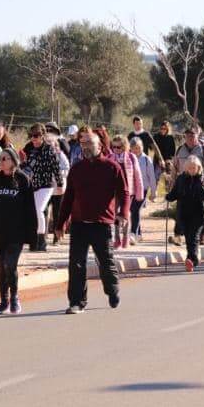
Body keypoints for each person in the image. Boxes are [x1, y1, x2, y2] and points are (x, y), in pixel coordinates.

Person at [55, 133, 129, 314]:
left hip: (101, 223)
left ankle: (112, 290)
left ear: (100, 146)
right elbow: (68, 198)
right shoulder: (76, 169)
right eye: (82, 144)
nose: (85, 147)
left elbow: (124, 192)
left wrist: (123, 213)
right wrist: (60, 224)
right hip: (79, 223)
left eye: (89, 143)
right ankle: (77, 302)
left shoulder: (112, 167)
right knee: (76, 264)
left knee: (105, 261)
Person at [0, 148, 38, 315]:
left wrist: (32, 235)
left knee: (10, 264)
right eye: (0, 158)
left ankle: (15, 297)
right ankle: (4, 301)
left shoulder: (23, 179)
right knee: (2, 267)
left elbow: (31, 209)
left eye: (6, 158)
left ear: (14, 161)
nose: (2, 161)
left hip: (16, 232)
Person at [165, 155, 204, 272]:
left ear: (198, 168)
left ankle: (191, 259)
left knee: (194, 237)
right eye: (189, 167)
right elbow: (175, 193)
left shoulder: (203, 179)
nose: (192, 169)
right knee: (188, 237)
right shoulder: (181, 179)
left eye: (194, 167)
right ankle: (192, 259)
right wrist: (168, 197)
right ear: (186, 168)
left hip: (199, 214)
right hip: (184, 213)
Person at [23, 124, 62, 251]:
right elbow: (28, 167)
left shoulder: (49, 149)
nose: (33, 138)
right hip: (33, 185)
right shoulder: (30, 149)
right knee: (33, 211)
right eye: (31, 136)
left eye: (36, 136)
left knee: (39, 210)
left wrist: (60, 184)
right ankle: (34, 240)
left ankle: (41, 240)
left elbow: (56, 167)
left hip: (46, 185)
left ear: (42, 136)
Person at [110, 135, 143, 249]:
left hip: (128, 191)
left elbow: (137, 176)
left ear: (124, 146)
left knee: (125, 214)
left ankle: (125, 237)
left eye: (118, 147)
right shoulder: (110, 157)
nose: (115, 149)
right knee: (114, 214)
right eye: (113, 146)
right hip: (114, 191)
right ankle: (116, 238)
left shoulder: (131, 157)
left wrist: (139, 193)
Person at [130, 137, 156, 243]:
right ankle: (139, 234)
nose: (137, 150)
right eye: (134, 148)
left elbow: (152, 177)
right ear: (131, 149)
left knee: (135, 210)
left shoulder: (146, 159)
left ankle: (132, 234)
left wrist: (153, 192)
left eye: (139, 148)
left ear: (142, 147)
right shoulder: (129, 158)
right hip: (132, 189)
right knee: (134, 211)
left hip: (143, 189)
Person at [47, 135, 70, 245]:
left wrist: (56, 174)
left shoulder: (61, 156)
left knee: (57, 214)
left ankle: (56, 237)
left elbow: (66, 169)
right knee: (44, 212)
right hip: (46, 188)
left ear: (56, 146)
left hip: (58, 189)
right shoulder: (44, 156)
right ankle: (42, 235)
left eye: (51, 145)